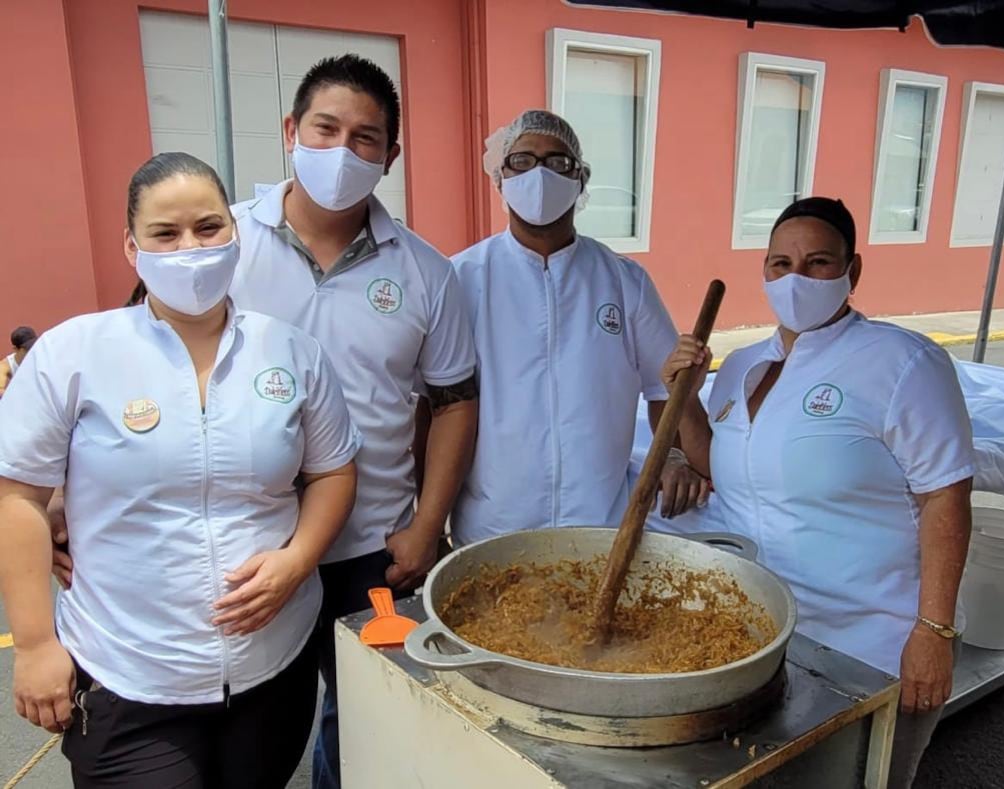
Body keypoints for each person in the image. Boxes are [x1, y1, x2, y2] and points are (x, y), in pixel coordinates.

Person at [4, 152, 361, 789]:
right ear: (130, 246)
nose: (189, 248)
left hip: (270, 667)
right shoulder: (75, 353)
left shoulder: (292, 352)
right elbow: (18, 497)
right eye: (165, 234)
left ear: (236, 232)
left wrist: (298, 559)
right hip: (129, 672)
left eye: (208, 227)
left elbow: (333, 471)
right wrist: (33, 644)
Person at [662, 197, 973, 788]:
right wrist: (686, 396)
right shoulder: (744, 365)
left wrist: (933, 634)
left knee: (863, 779)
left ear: (853, 272)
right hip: (764, 629)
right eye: (781, 264)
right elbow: (723, 464)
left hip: (870, 639)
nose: (796, 278)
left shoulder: (902, 363)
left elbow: (945, 498)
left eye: (818, 262)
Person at [227, 55, 478, 788]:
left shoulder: (427, 272)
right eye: (325, 128)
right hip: (252, 553)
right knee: (255, 733)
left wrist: (426, 525)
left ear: (390, 156)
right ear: (290, 132)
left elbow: (455, 402)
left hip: (375, 550)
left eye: (366, 138)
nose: (342, 151)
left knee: (371, 727)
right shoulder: (225, 245)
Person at [445, 110, 708, 547]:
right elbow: (435, 406)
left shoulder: (624, 282)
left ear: (580, 179)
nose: (541, 175)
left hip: (600, 528)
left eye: (558, 162)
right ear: (500, 179)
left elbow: (667, 387)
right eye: (523, 161)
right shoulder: (462, 278)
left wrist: (671, 456)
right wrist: (432, 519)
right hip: (492, 530)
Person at [0, 325, 36, 397]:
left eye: (33, 346)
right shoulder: (5, 366)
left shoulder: (41, 356)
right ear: (16, 349)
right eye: (26, 349)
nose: (31, 351)